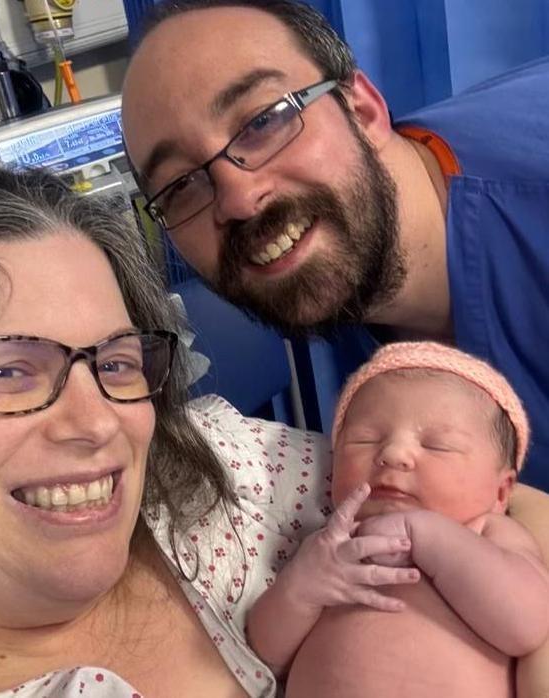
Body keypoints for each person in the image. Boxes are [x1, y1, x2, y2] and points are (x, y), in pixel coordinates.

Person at [0, 160, 420, 697]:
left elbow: (480, 494)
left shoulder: (213, 466)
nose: (98, 422)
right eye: (6, 370)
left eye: (116, 363)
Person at [120, 0, 549, 490]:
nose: (238, 200)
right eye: (179, 186)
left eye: (263, 121)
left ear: (362, 108)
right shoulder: (348, 273)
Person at [247, 342, 549, 698]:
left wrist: (429, 536)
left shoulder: (490, 533)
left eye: (437, 445)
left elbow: (528, 625)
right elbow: (265, 653)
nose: (393, 454)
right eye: (365, 440)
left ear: (501, 492)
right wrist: (301, 591)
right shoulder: (332, 546)